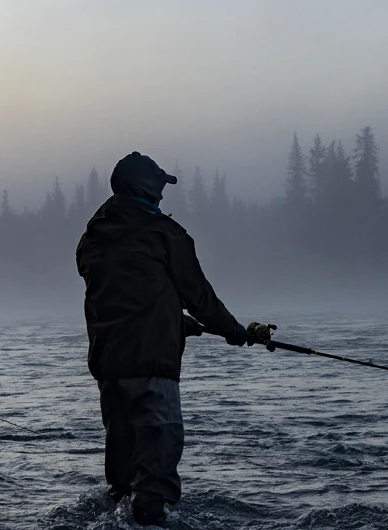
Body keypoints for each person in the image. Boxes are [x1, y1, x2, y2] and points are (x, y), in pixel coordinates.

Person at [76, 151, 267, 526]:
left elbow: (124, 294)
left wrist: (174, 321)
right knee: (157, 467)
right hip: (152, 366)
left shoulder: (92, 239)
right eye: (158, 187)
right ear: (143, 187)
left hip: (110, 368)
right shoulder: (164, 233)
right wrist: (234, 331)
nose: (162, 195)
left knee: (122, 479)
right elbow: (199, 296)